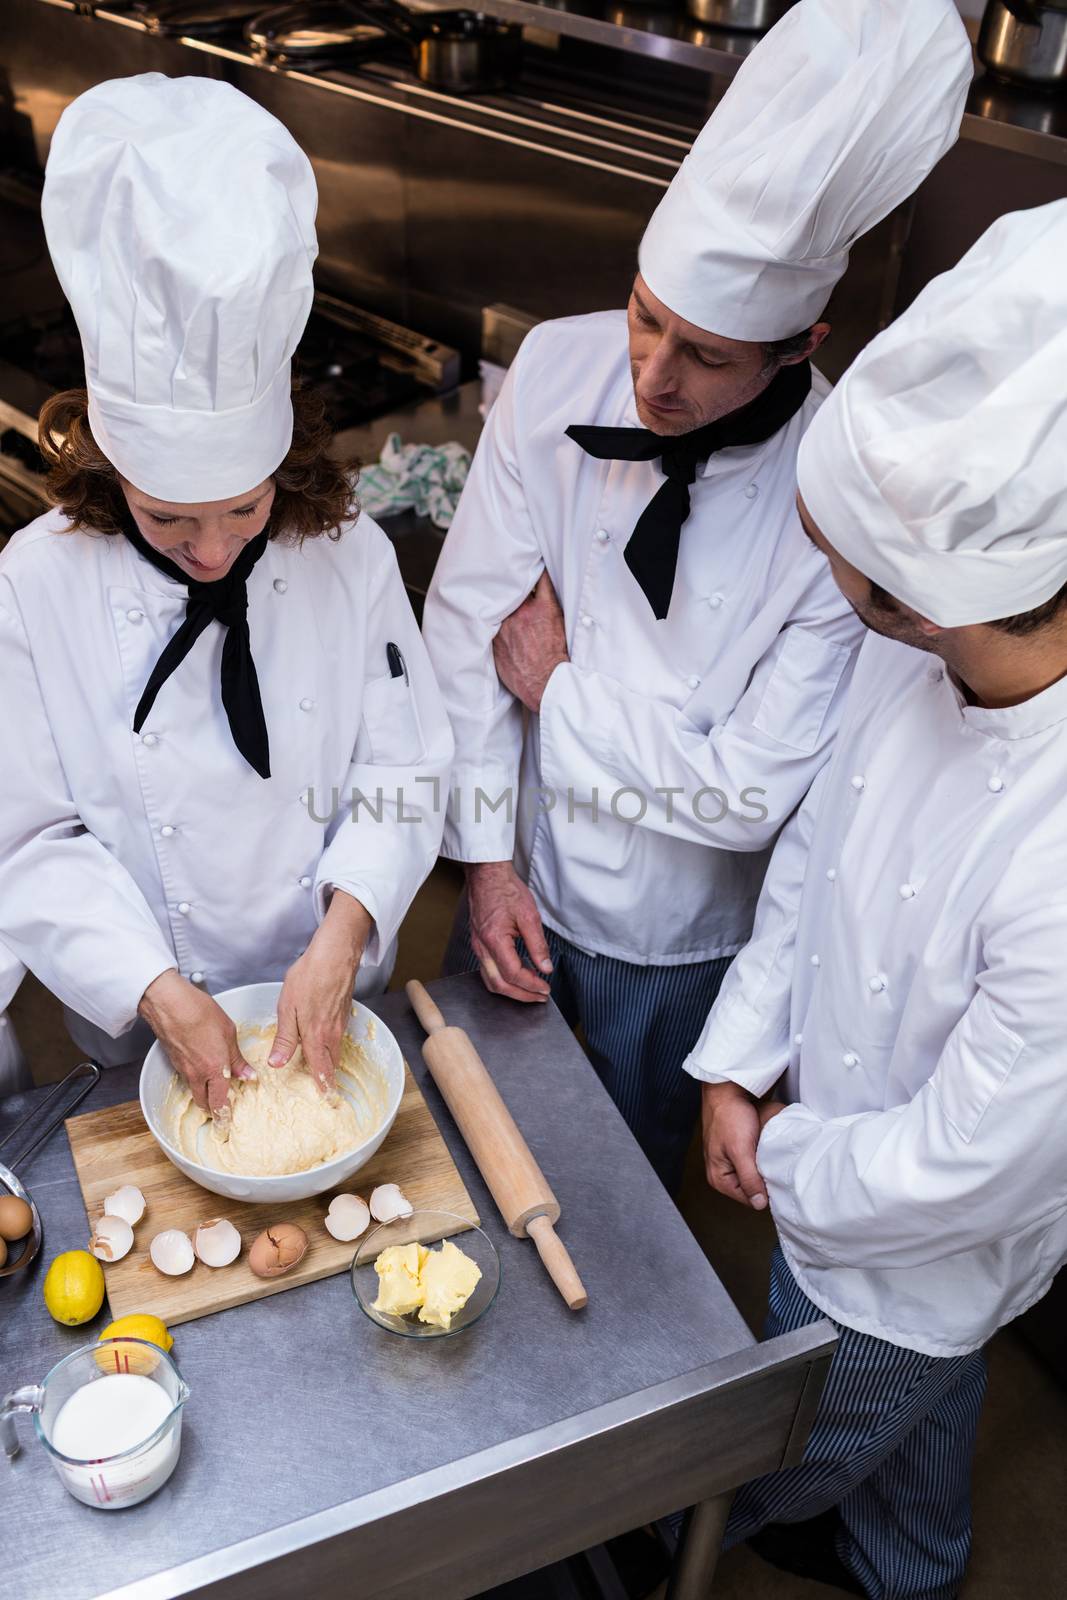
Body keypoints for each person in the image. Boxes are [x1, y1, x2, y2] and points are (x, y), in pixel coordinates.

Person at [422, 0, 971, 1188]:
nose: (650, 379)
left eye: (706, 356)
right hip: (519, 859)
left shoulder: (838, 498)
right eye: (644, 319)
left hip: (681, 940)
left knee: (623, 1202)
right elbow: (469, 624)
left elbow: (747, 795)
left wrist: (557, 688)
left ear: (797, 341)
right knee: (473, 1160)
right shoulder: (558, 368)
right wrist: (484, 859)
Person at [690, 199, 1067, 1600]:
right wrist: (737, 1058)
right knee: (923, 1435)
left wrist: (777, 1160)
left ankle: (850, 1546)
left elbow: (967, 1170)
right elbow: (814, 858)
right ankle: (920, 1554)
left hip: (911, 1269)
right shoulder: (908, 651)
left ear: (927, 602)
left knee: (815, 1431)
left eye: (840, 567)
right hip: (815, 1152)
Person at [0, 75, 452, 1121]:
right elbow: (29, 838)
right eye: (167, 520)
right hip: (132, 1031)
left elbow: (404, 765)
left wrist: (343, 934)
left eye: (244, 511)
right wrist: (156, 991)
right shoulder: (37, 579)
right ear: (110, 471)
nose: (212, 552)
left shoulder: (347, 552)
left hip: (332, 1006)